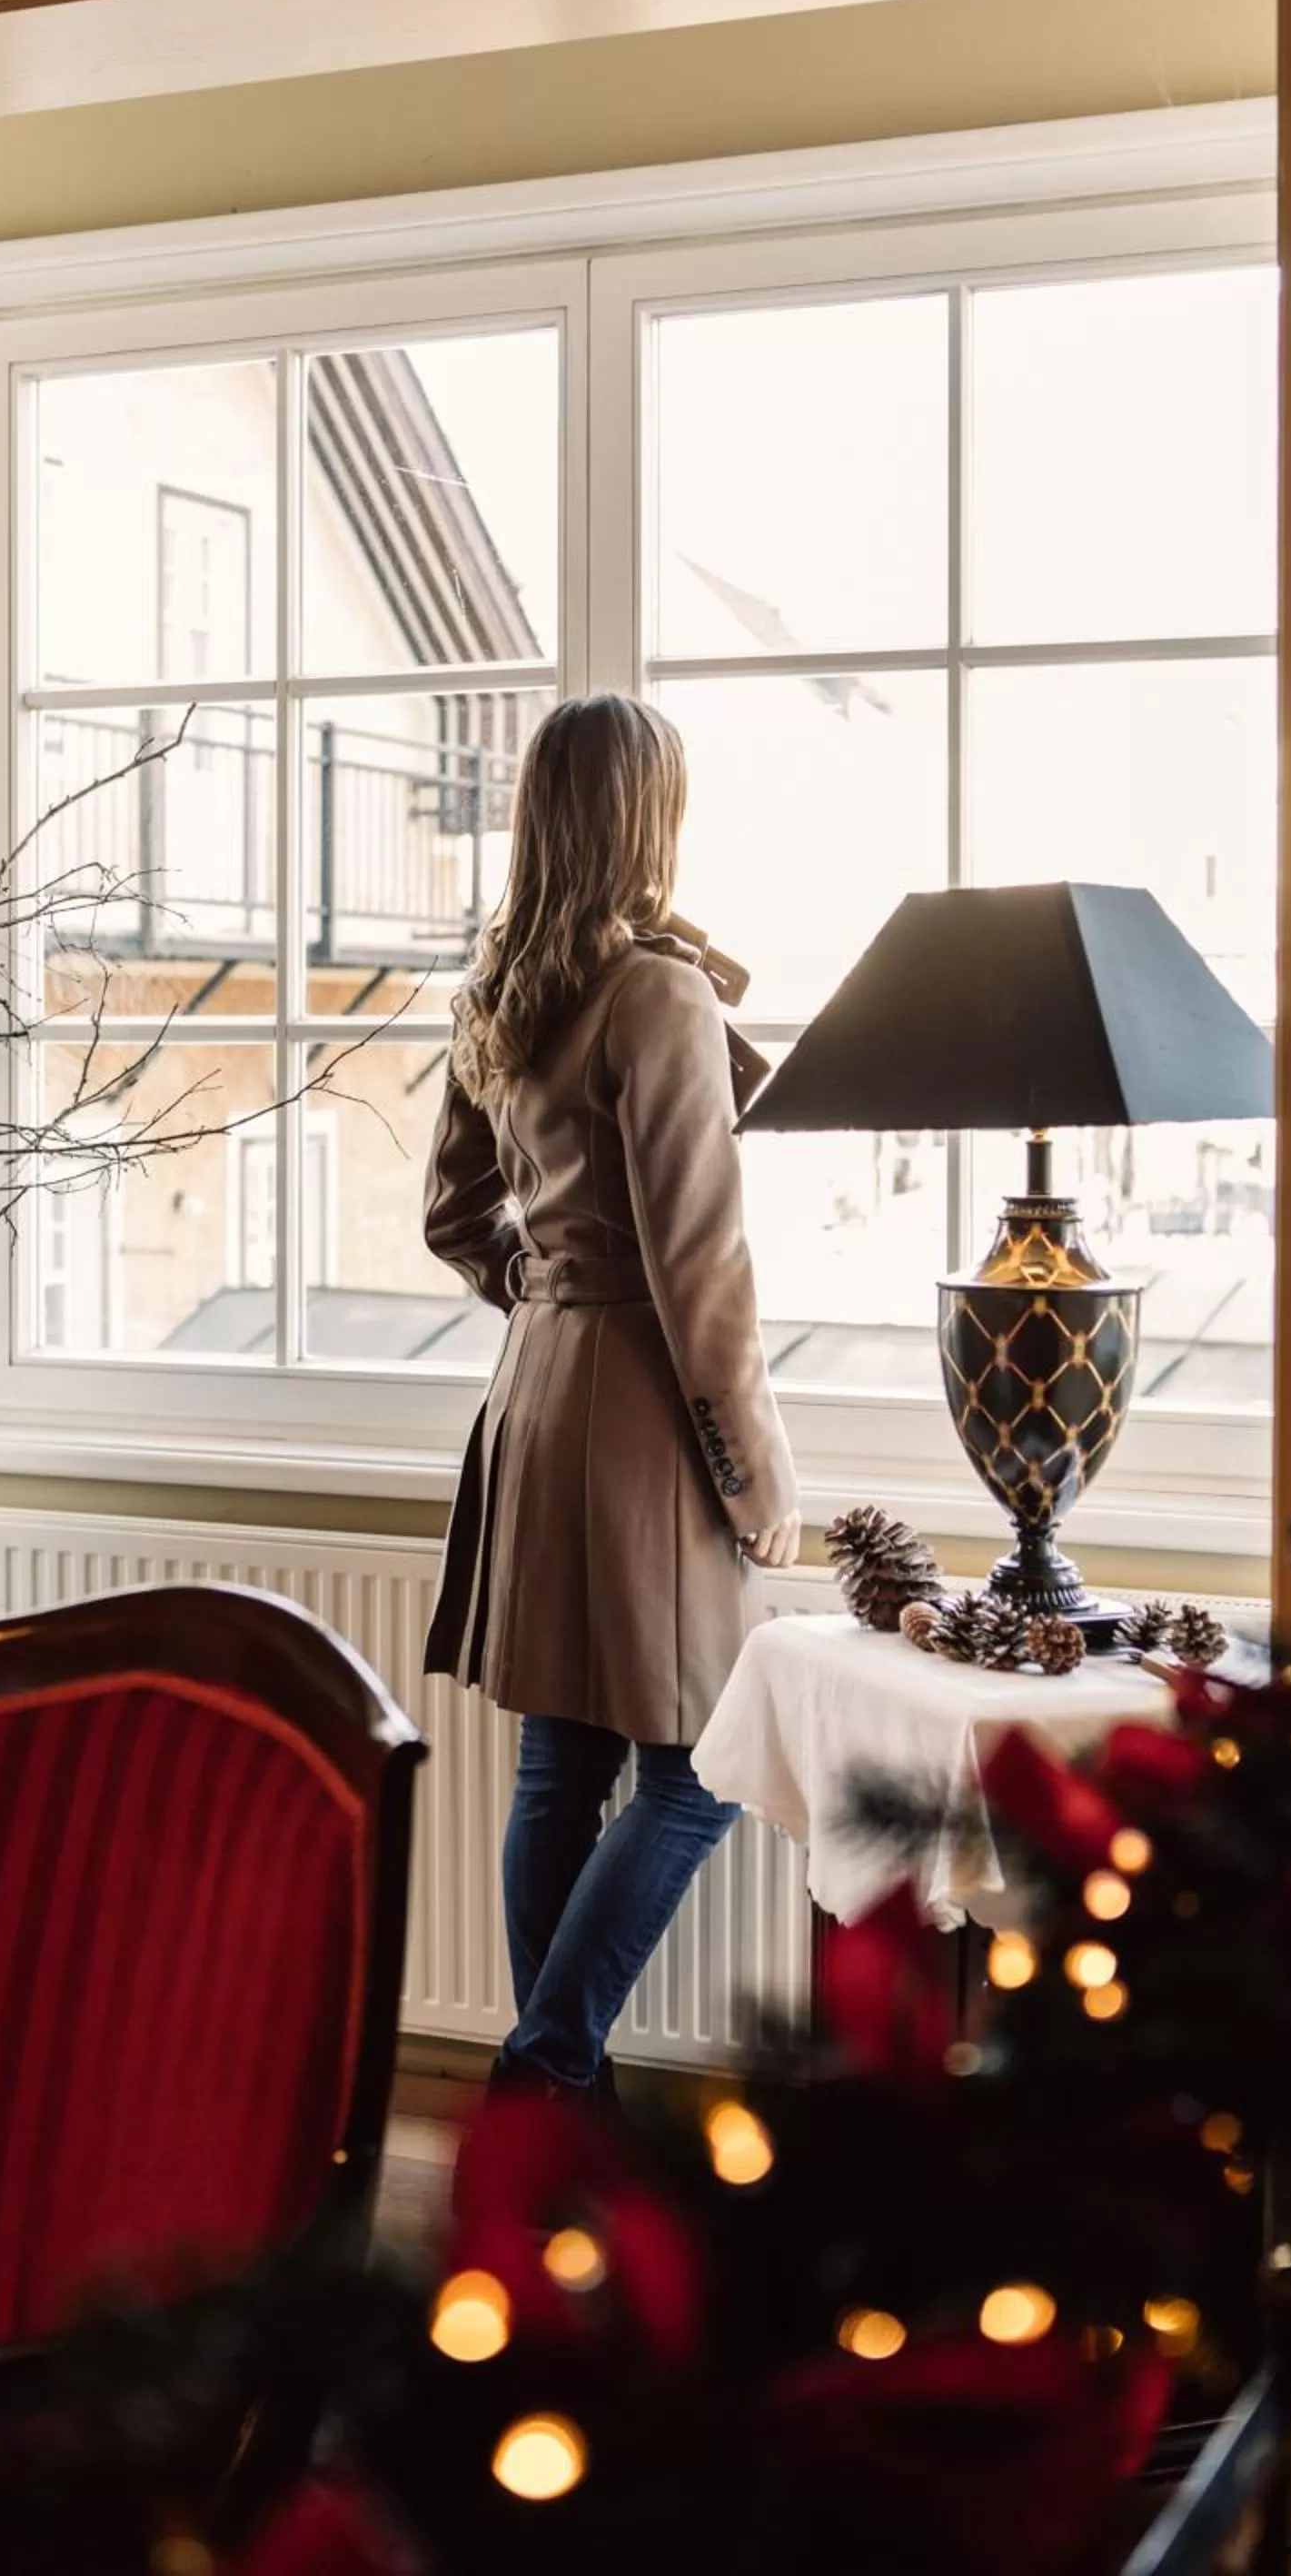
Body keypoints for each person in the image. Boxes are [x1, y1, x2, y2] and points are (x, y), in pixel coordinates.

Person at [422, 692, 800, 2100]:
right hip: (640, 1409)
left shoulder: (505, 988)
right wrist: (759, 1482)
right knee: (700, 1775)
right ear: (655, 816)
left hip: (535, 1393)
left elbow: (456, 1216)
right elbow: (704, 1265)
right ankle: (547, 2072)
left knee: (560, 1770)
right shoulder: (655, 994)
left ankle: (553, 2118)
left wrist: (549, 1289)